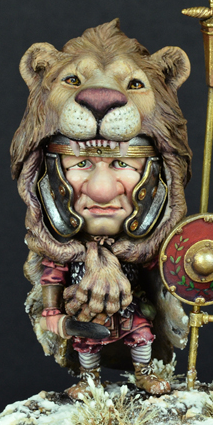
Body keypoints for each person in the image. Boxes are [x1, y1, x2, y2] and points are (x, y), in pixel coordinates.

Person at [38, 137, 171, 399]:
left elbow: (157, 269)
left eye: (122, 163)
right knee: (87, 342)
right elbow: (52, 276)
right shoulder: (68, 250)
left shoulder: (134, 248)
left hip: (129, 304)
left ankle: (144, 372)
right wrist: (52, 311)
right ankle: (89, 378)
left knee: (142, 331)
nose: (102, 192)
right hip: (86, 308)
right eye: (80, 163)